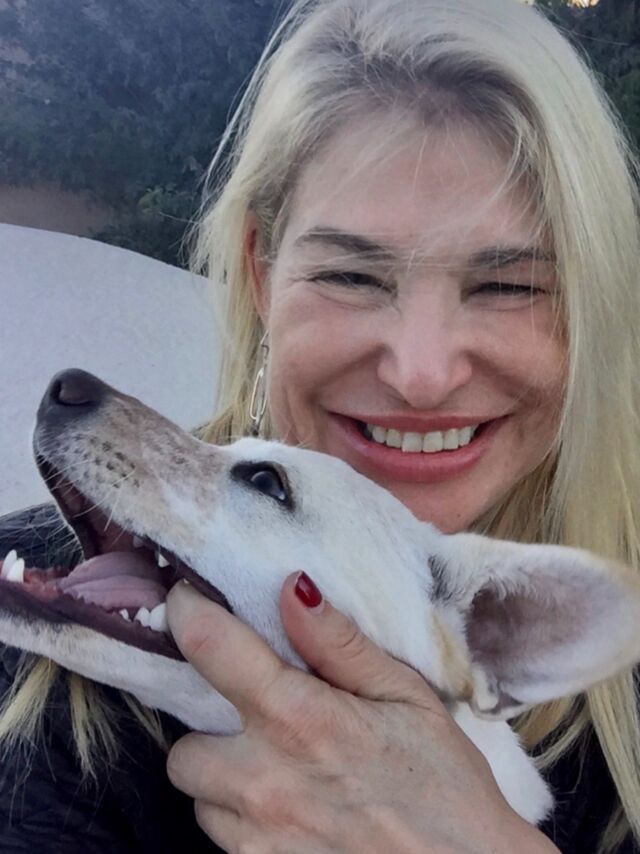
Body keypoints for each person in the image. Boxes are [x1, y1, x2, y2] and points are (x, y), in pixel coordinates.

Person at [1, 0, 640, 851]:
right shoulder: (28, 665)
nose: (420, 375)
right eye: (351, 275)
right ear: (263, 276)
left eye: (510, 285)